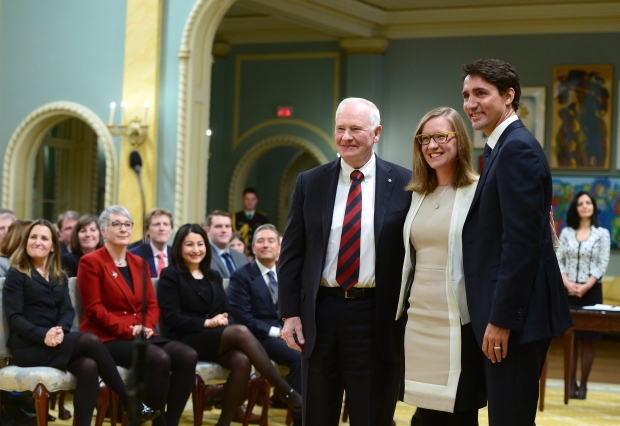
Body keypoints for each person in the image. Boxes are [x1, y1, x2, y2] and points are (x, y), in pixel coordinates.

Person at [278, 97, 412, 425]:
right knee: (317, 415)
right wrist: (290, 314)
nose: (346, 137)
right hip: (320, 315)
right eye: (340, 128)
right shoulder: (310, 183)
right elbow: (291, 255)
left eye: (356, 129)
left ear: (376, 132)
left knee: (371, 416)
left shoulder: (406, 183)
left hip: (375, 317)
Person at [461, 58, 572, 425]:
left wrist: (502, 320)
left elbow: (520, 245)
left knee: (510, 418)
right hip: (511, 317)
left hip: (516, 322)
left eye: (481, 93)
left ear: (508, 96)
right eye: (466, 95)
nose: (471, 103)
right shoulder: (502, 146)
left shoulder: (516, 149)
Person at [3, 219, 159, 426]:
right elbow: (15, 318)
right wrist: (44, 335)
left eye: (44, 238)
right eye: (33, 237)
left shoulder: (59, 275)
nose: (38, 242)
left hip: (56, 341)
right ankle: (129, 401)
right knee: (91, 341)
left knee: (89, 366)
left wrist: (60, 330)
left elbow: (67, 311)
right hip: (28, 346)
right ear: (25, 242)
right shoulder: (17, 274)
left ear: (52, 247)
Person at [157, 223, 301, 426]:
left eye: (200, 244)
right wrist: (207, 322)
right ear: (180, 247)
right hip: (183, 338)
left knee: (241, 361)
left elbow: (226, 311)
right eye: (189, 244)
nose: (196, 249)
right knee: (241, 331)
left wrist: (222, 319)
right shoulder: (170, 276)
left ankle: (224, 422)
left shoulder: (212, 275)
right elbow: (172, 318)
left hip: (212, 339)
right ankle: (283, 388)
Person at [395, 107, 485, 425]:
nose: (432, 145)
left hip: (458, 322)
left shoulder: (479, 191)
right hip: (418, 321)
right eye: (425, 138)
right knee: (425, 414)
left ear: (459, 140)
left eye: (441, 136)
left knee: (459, 414)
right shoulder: (416, 193)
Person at [77, 206, 198, 426]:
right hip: (108, 338)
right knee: (159, 358)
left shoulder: (139, 263)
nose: (123, 229)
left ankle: (170, 422)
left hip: (141, 333)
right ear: (103, 231)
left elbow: (151, 305)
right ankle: (156, 421)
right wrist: (129, 330)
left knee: (187, 356)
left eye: (127, 224)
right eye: (116, 224)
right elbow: (94, 310)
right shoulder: (91, 262)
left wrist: (147, 326)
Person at [227, 224, 302, 426]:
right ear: (253, 248)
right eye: (260, 241)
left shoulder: (288, 274)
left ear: (280, 247)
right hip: (261, 336)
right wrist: (278, 332)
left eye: (271, 241)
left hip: (289, 331)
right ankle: (300, 416)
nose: (266, 245)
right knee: (299, 359)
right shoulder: (241, 277)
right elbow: (242, 317)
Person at [556, 191, 610, 399]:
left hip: (591, 292)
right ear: (576, 209)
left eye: (588, 203)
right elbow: (558, 259)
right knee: (570, 338)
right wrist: (568, 283)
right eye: (581, 203)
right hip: (567, 291)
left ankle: (584, 385)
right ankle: (571, 383)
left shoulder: (602, 233)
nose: (585, 206)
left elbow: (602, 263)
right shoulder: (567, 232)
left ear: (594, 207)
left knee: (588, 340)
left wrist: (585, 286)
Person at [129, 208, 174, 278]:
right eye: (156, 224)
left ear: (171, 230)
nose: (162, 228)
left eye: (166, 224)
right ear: (147, 230)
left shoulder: (177, 255)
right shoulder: (134, 255)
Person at [204, 210, 248, 279]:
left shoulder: (242, 258)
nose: (224, 230)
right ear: (208, 231)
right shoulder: (203, 256)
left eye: (227, 226)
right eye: (218, 226)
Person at [232, 188, 270, 255]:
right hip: (240, 253)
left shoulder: (263, 218)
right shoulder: (235, 217)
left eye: (252, 199)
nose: (250, 202)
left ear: (256, 201)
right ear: (243, 200)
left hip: (257, 254)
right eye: (247, 199)